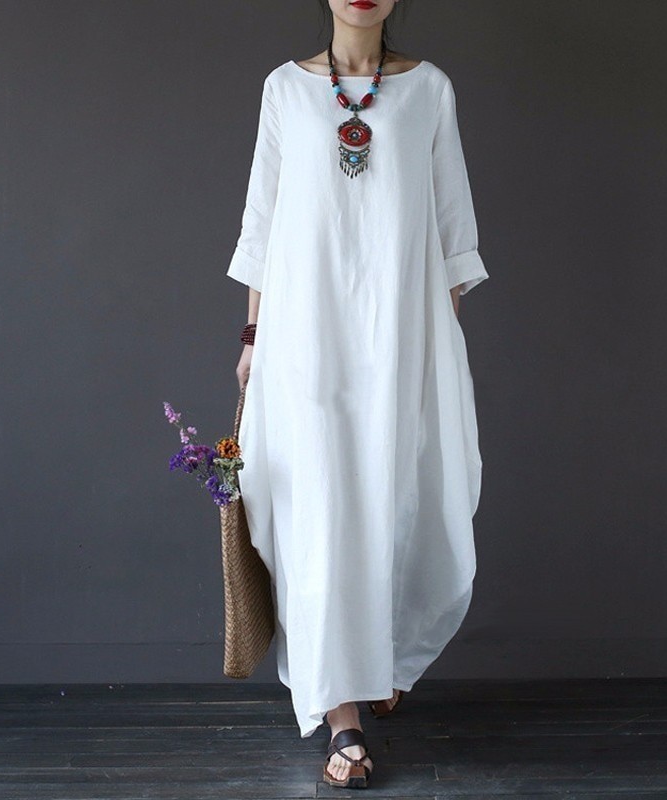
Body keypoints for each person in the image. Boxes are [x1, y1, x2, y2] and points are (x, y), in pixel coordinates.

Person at [225, 0, 488, 789]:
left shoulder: (429, 91)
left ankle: (382, 656)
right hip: (306, 345)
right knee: (320, 512)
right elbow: (263, 224)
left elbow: (452, 231)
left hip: (397, 343)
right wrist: (253, 339)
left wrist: (435, 354)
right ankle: (343, 715)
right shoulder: (284, 90)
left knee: (395, 499)